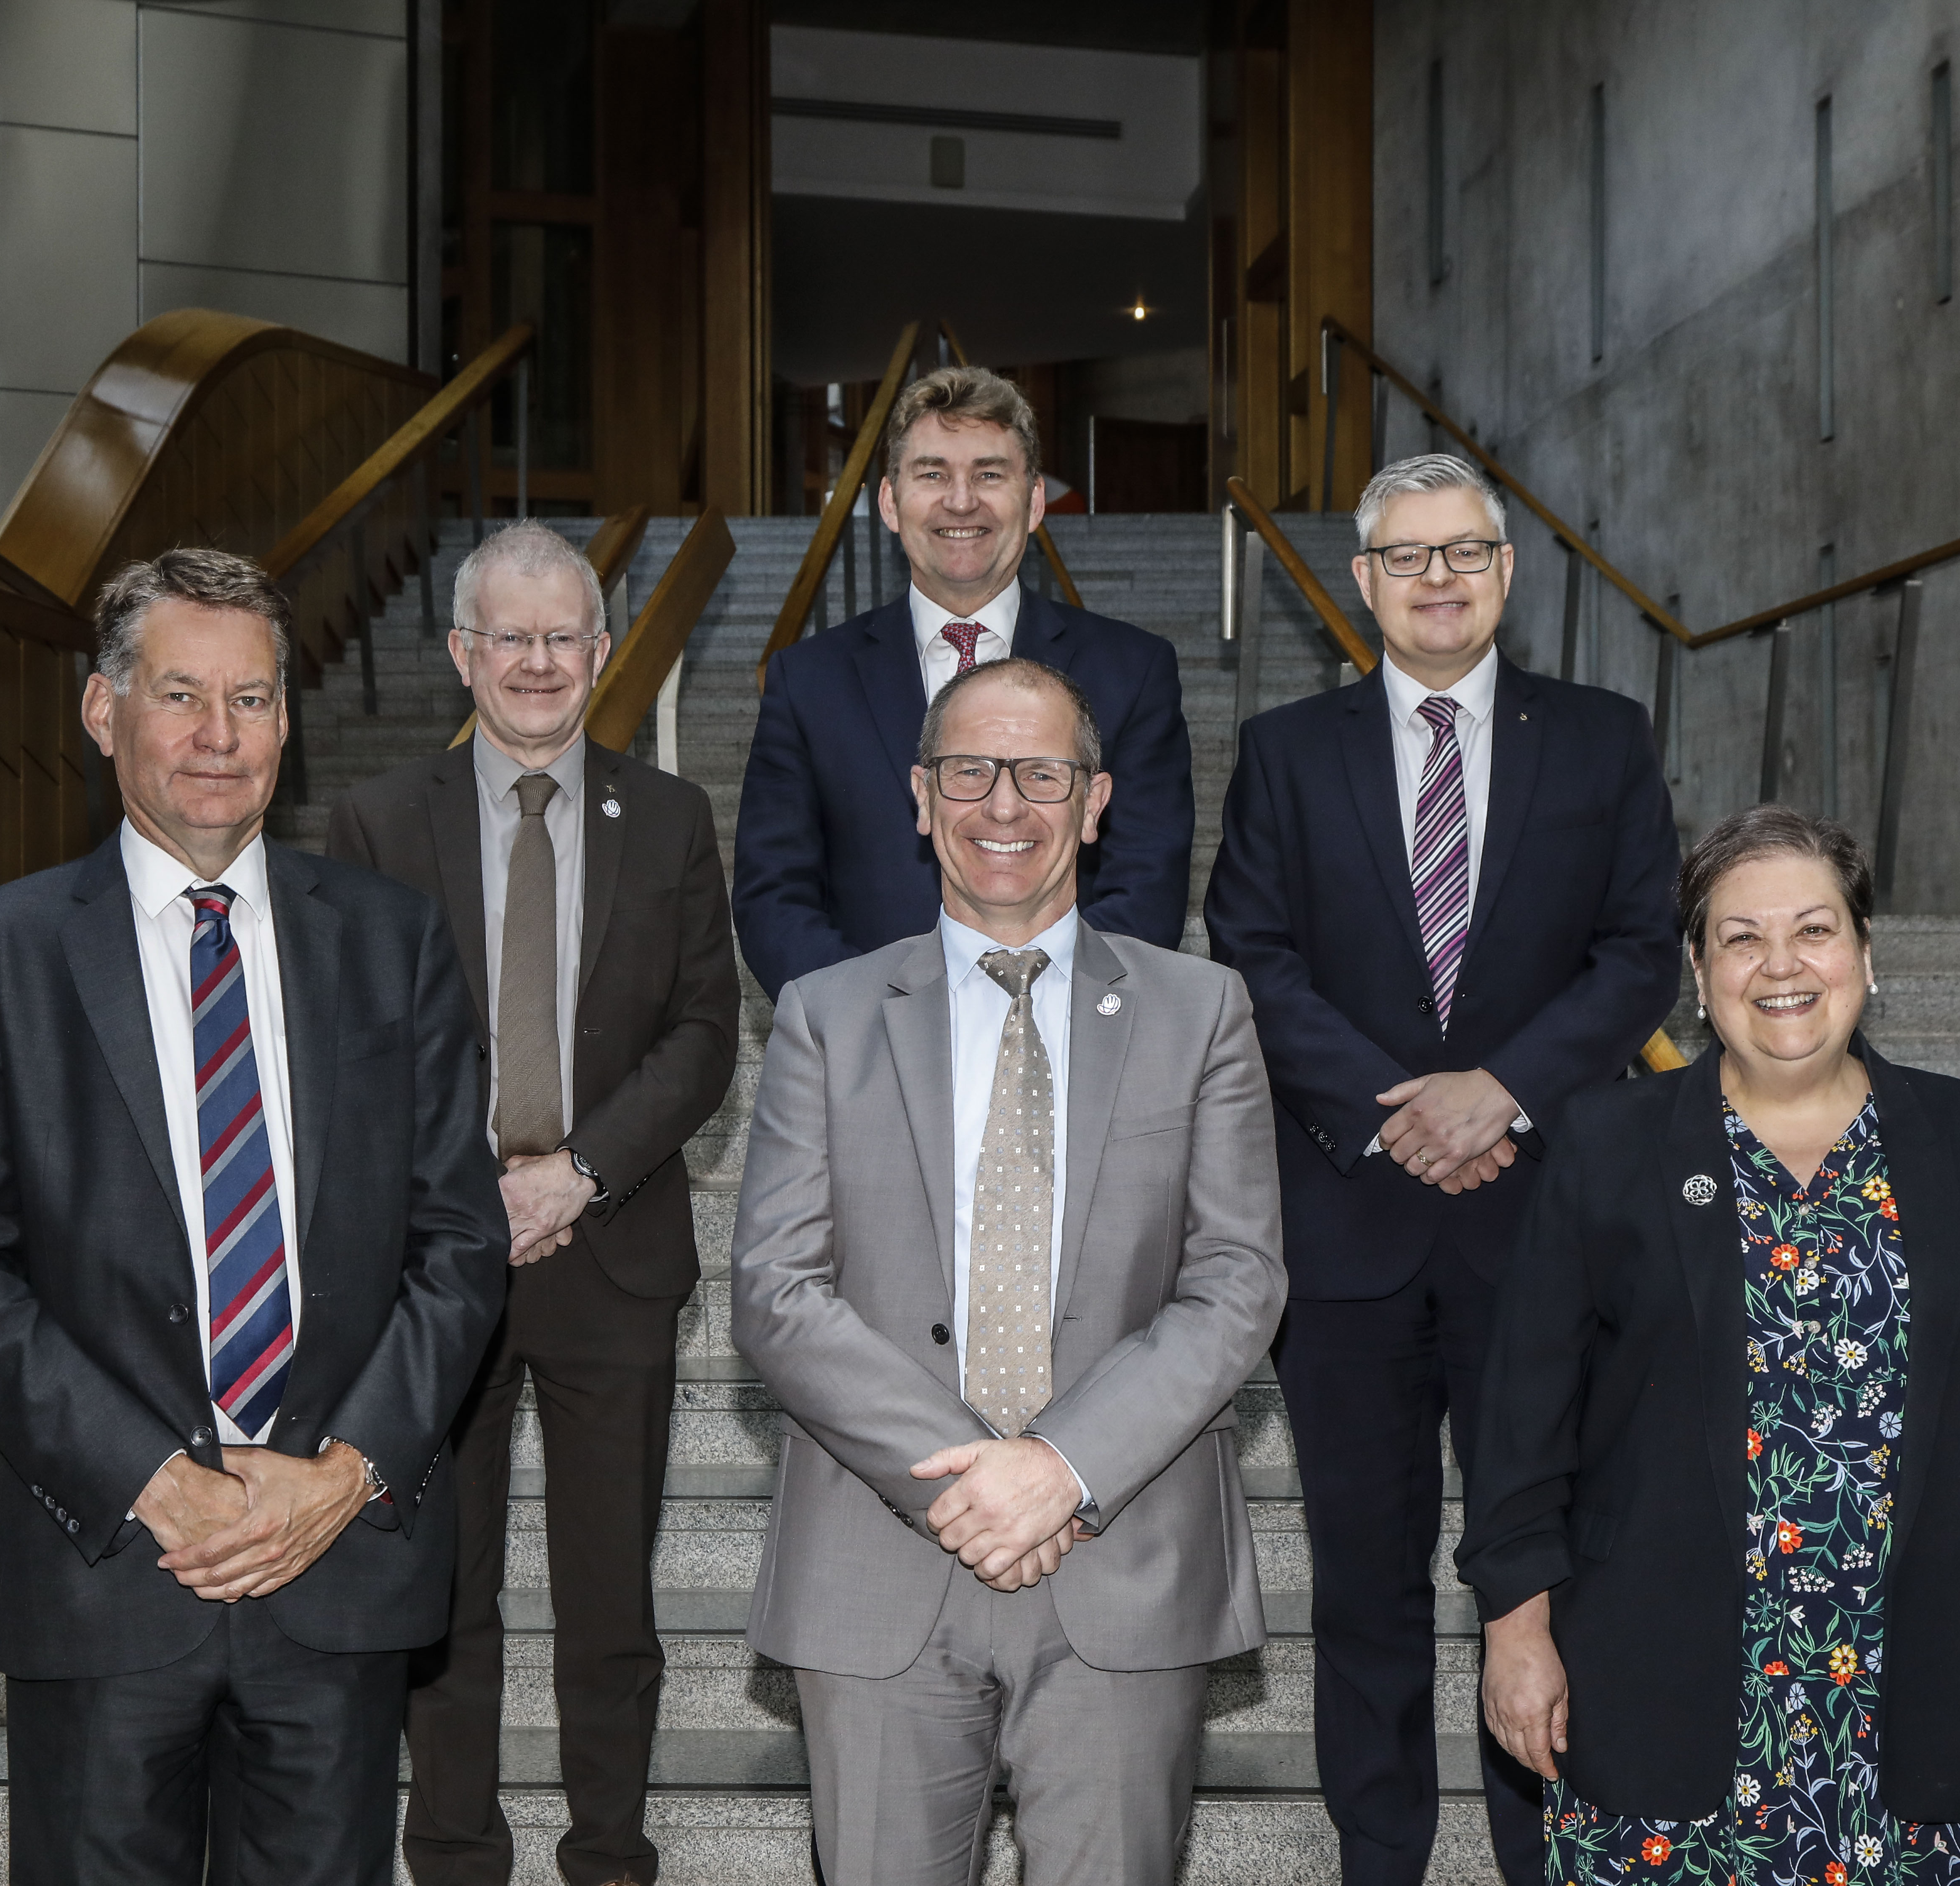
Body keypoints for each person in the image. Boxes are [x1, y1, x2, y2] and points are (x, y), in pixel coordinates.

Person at [0, 549, 507, 1886]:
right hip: (108, 1567)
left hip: (331, 1572)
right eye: (181, 696)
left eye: (252, 699)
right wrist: (156, 1480)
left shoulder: (392, 941)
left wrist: (345, 1474)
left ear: (290, 719)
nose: (219, 737)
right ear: (104, 713)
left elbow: (461, 1243)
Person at [1469, 804, 1960, 1886]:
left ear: (1866, 951)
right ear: (1699, 967)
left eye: (1814, 929)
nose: (1781, 965)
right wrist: (1515, 1625)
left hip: (1918, 1680)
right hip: (1659, 1682)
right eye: (1741, 936)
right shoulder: (1606, 1143)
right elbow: (1521, 1420)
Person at [1201, 452, 1682, 1886]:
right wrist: (1395, 1109)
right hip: (1347, 1229)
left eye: (1464, 553)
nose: (1437, 579)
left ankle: (1551, 1854)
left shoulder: (1601, 739)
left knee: (1545, 1566)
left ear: (1506, 572)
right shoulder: (1290, 751)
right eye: (1407, 557)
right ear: (1362, 584)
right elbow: (1253, 954)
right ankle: (1382, 1856)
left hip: (1547, 1228)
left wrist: (1504, 1094)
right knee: (1365, 1578)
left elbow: (1642, 949)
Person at [729, 657, 1285, 1886]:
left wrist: (1060, 1469)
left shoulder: (1203, 1013)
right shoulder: (825, 1015)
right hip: (882, 1565)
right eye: (971, 771)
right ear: (922, 797)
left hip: (1124, 1563)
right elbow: (776, 1288)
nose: (1005, 805)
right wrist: (972, 1482)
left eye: (1042, 773)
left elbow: (1237, 1280)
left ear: (1094, 803)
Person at [325, 521, 741, 1886]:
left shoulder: (671, 817)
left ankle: (609, 1854)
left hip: (612, 1256)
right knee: (445, 1592)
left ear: (604, 651)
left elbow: (701, 1033)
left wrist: (576, 1175)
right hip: (440, 1265)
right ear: (461, 653)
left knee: (609, 1601)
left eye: (566, 635)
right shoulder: (382, 821)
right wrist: (475, 1197)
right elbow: (360, 1040)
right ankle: (452, 1854)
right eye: (511, 636)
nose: (539, 662)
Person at [732, 365, 1193, 999]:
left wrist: (1032, 1010)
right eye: (932, 474)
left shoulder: (1133, 672)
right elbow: (773, 896)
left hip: (1071, 1045)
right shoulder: (808, 681)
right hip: (872, 1058)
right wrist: (876, 1021)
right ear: (890, 502)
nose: (960, 500)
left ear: (1033, 502)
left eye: (989, 474)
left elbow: (1148, 886)